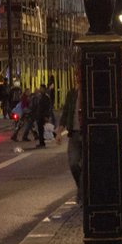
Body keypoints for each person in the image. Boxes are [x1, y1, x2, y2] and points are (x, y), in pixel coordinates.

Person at [54, 71, 83, 200]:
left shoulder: (89, 92)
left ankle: (82, 195)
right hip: (74, 133)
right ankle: (81, 188)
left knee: (87, 167)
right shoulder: (72, 94)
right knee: (73, 164)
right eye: (76, 76)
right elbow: (66, 113)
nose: (77, 78)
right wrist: (59, 132)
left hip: (87, 133)